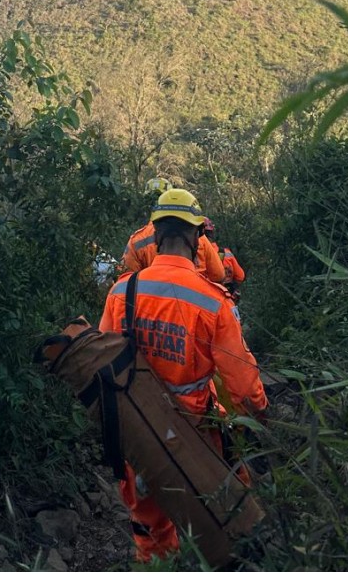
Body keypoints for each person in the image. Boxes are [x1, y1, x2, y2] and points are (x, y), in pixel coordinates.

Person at [101, 188, 269, 563]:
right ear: (196, 237)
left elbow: (105, 366)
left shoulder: (121, 291)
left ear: (156, 235)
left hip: (140, 430)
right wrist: (259, 417)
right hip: (196, 431)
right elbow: (242, 384)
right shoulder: (212, 300)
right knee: (228, 517)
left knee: (150, 533)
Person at [120, 179, 242, 294]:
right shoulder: (197, 237)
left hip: (149, 306)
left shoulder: (137, 241)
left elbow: (126, 282)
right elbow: (218, 274)